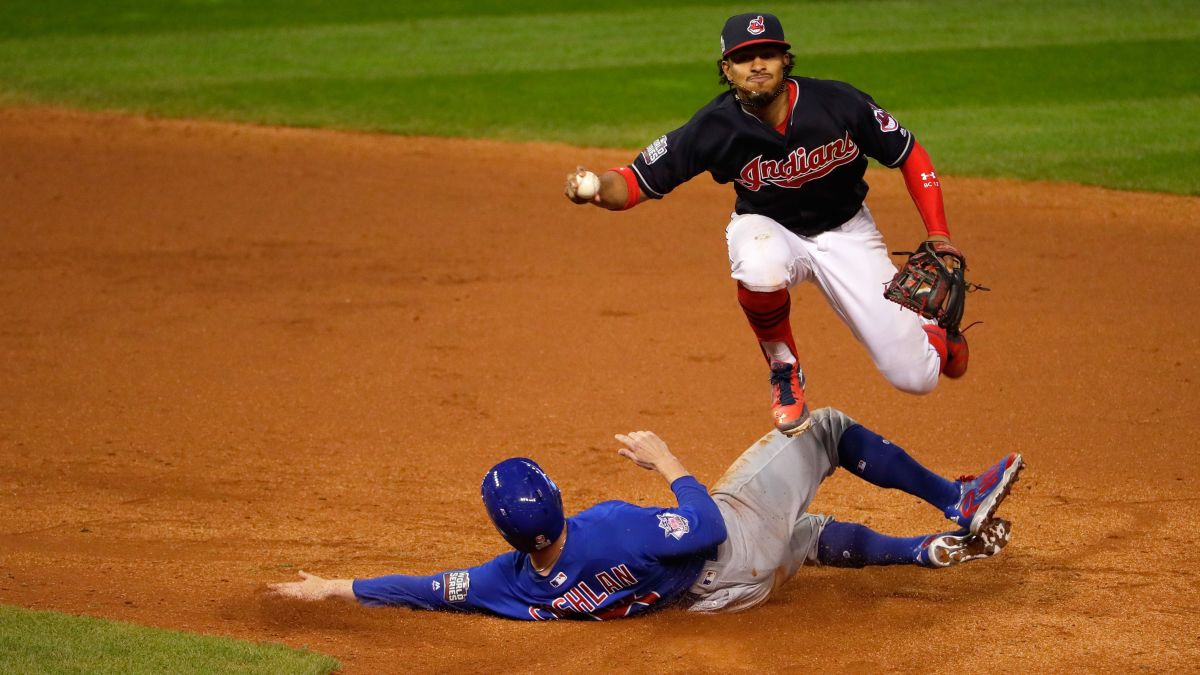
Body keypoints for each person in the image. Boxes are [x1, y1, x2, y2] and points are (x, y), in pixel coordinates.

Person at [564, 13, 970, 436]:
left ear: (785, 59)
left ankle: (938, 334)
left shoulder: (837, 103)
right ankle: (784, 370)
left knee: (916, 377)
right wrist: (593, 189)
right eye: (744, 58)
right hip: (771, 230)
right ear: (727, 69)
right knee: (758, 261)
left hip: (848, 234)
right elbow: (634, 181)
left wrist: (938, 232)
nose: (757, 64)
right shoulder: (714, 127)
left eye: (767, 54)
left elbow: (908, 152)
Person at [268, 408, 1024, 620]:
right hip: (728, 552)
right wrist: (667, 462)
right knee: (824, 427)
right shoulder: (608, 527)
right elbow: (704, 526)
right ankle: (956, 500)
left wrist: (336, 586)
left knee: (815, 536)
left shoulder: (517, 585)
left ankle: (923, 550)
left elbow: (434, 587)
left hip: (713, 600)